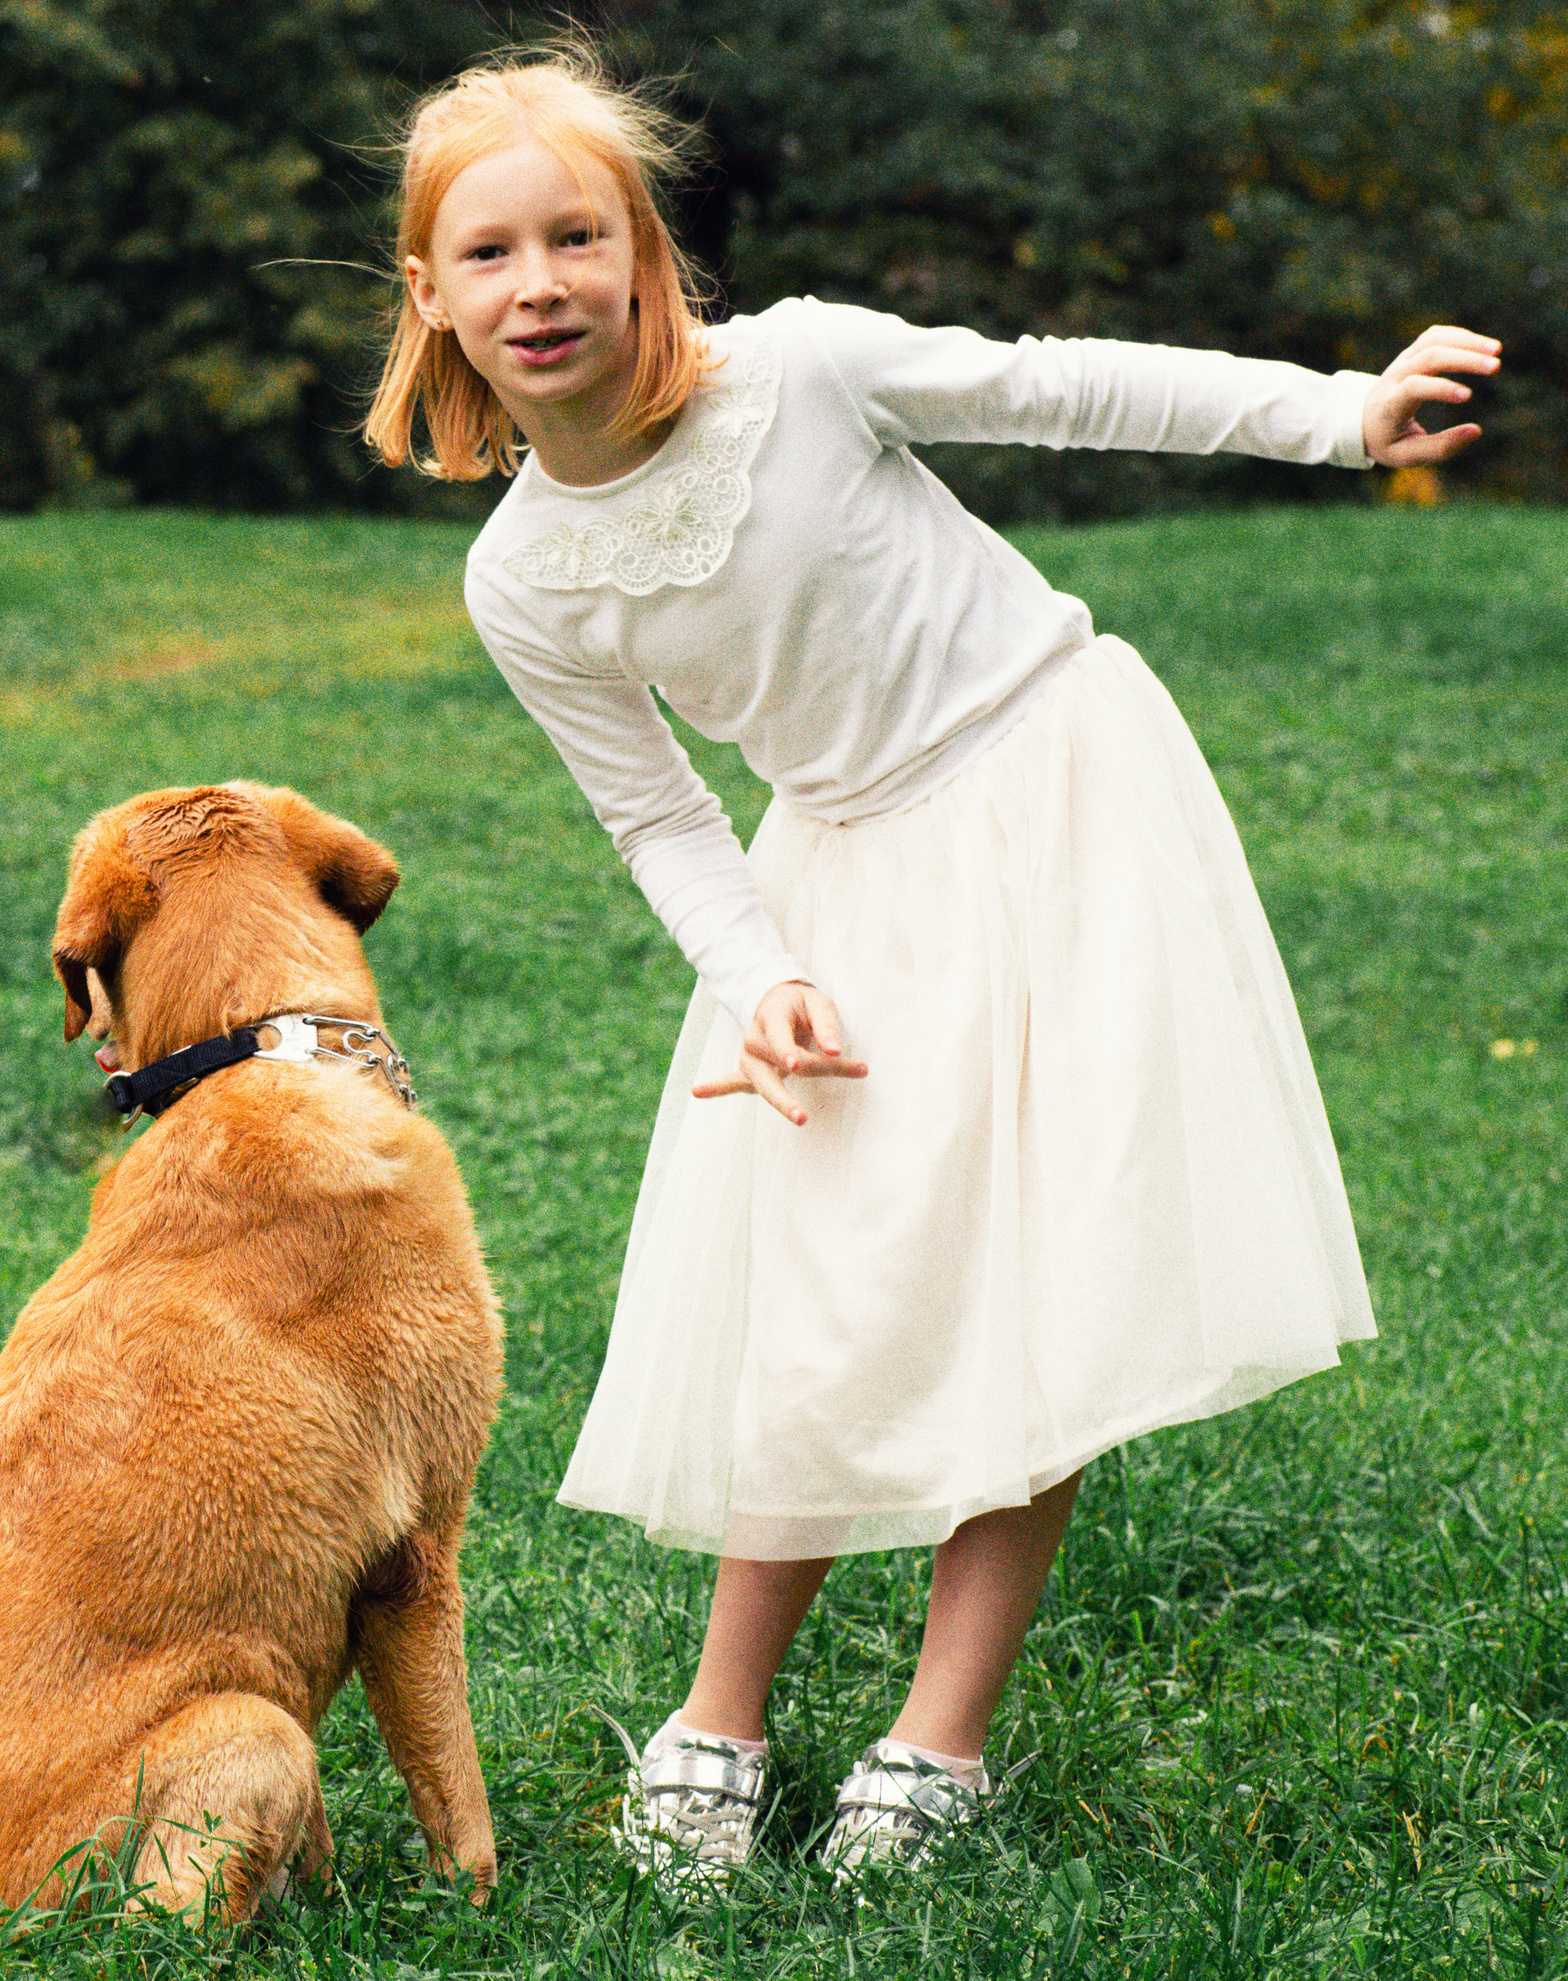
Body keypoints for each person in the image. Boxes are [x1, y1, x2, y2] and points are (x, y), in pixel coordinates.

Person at [365, 48, 1498, 1882]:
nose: (542, 283)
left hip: (1053, 785)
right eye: (491, 254)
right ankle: (720, 1717)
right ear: (431, 295)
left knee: (1031, 1266)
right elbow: (659, 817)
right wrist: (755, 976)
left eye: (579, 234)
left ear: (644, 251)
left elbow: (1064, 389)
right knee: (829, 1276)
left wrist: (1338, 412)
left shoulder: (803, 369)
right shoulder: (524, 579)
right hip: (841, 867)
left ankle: (935, 1740)